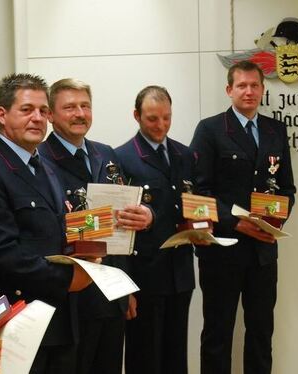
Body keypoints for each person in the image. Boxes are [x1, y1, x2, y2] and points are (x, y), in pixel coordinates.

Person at [0, 73, 92, 374]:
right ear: (2, 115)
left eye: (43, 111)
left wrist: (88, 255)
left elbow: (54, 235)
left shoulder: (44, 168)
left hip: (59, 319)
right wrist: (66, 279)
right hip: (18, 322)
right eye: (27, 110)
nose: (38, 118)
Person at [38, 78, 153, 374]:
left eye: (85, 106)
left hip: (111, 294)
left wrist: (145, 213)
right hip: (72, 298)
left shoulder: (106, 154)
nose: (80, 113)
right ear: (50, 114)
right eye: (70, 107)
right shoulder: (40, 159)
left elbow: (123, 218)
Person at [189, 60, 296, 374]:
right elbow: (198, 191)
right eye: (242, 86)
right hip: (222, 250)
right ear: (229, 90)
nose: (249, 92)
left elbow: (287, 187)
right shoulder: (209, 130)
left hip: (263, 252)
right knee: (218, 336)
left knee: (262, 334)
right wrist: (236, 222)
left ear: (262, 90)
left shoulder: (276, 130)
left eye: (254, 86)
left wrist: (274, 223)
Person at [115, 86, 195, 374]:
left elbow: (191, 203)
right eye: (152, 119)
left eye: (166, 118)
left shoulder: (185, 155)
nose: (160, 125)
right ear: (136, 116)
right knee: (144, 358)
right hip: (144, 276)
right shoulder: (121, 158)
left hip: (180, 273)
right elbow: (118, 231)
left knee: (177, 359)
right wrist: (125, 288)